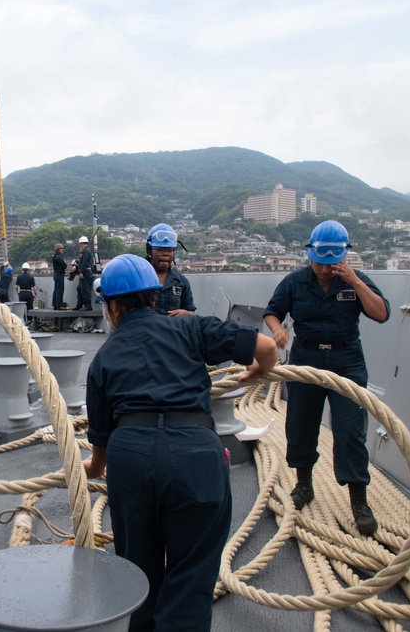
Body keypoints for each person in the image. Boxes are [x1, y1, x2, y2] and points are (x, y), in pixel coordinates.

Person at [83, 254, 277, 632]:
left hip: (132, 459)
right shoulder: (189, 329)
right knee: (191, 579)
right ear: (155, 299)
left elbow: (99, 453)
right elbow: (267, 348)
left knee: (137, 576)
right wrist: (257, 372)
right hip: (196, 457)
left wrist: (82, 471)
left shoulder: (103, 359)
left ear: (112, 306)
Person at [263, 220, 389, 536]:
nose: (325, 269)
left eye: (332, 263)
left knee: (350, 430)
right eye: (320, 262)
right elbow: (273, 310)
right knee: (301, 425)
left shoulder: (355, 280)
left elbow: (381, 313)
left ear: (343, 257)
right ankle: (304, 484)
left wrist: (355, 282)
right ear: (310, 254)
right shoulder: (294, 281)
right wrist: (278, 329)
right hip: (306, 356)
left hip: (346, 360)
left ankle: (358, 500)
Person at [145, 224, 196, 316]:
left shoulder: (181, 282)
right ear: (149, 251)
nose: (166, 254)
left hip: (174, 330)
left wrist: (187, 314)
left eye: (169, 250)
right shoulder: (139, 280)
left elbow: (192, 312)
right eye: (160, 250)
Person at [74, 235, 94, 311]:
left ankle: (87, 305)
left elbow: (84, 262)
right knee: (80, 288)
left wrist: (81, 272)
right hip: (87, 271)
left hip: (85, 272)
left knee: (85, 289)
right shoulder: (87, 250)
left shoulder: (86, 251)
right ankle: (79, 304)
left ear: (81, 243)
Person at [51, 243, 67, 309]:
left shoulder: (54, 256)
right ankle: (59, 305)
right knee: (60, 290)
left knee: (56, 289)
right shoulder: (59, 257)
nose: (62, 250)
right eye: (61, 249)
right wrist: (65, 262)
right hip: (59, 274)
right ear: (58, 249)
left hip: (56, 274)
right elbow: (65, 266)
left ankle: (55, 304)